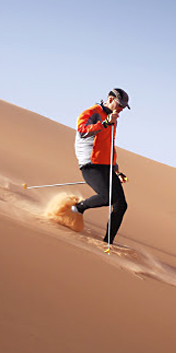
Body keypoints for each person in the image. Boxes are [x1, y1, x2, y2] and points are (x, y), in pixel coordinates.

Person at [70, 88, 131, 244]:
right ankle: (78, 208)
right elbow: (82, 131)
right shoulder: (92, 112)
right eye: (120, 105)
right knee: (106, 198)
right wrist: (104, 123)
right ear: (110, 100)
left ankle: (108, 242)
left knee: (121, 205)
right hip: (90, 164)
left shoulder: (113, 118)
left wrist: (116, 169)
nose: (122, 109)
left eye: (124, 107)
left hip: (106, 165)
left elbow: (108, 144)